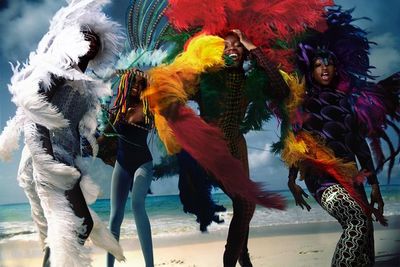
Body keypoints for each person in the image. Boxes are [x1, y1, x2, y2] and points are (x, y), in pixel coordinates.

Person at [0, 1, 125, 266]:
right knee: (76, 226)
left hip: (64, 160)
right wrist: (45, 160)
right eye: (86, 35)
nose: (91, 42)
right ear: (71, 37)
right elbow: (32, 105)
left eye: (96, 38)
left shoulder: (87, 84)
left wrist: (104, 147)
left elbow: (79, 130)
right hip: (46, 159)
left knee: (66, 231)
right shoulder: (56, 70)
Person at [280, 6, 398, 266]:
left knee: (366, 239)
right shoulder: (302, 101)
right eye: (318, 65)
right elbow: (295, 143)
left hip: (352, 176)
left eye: (329, 64)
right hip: (322, 179)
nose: (324, 68)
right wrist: (292, 181)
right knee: (356, 221)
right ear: (310, 70)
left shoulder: (346, 102)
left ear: (336, 68)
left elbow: (359, 145)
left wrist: (374, 184)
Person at [97, 70, 155, 267]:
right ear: (125, 85)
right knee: (115, 218)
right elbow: (104, 136)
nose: (137, 87)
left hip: (143, 165)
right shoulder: (117, 108)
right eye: (133, 83)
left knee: (137, 204)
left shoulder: (148, 107)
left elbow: (163, 98)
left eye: (141, 84)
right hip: (121, 166)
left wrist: (150, 81)